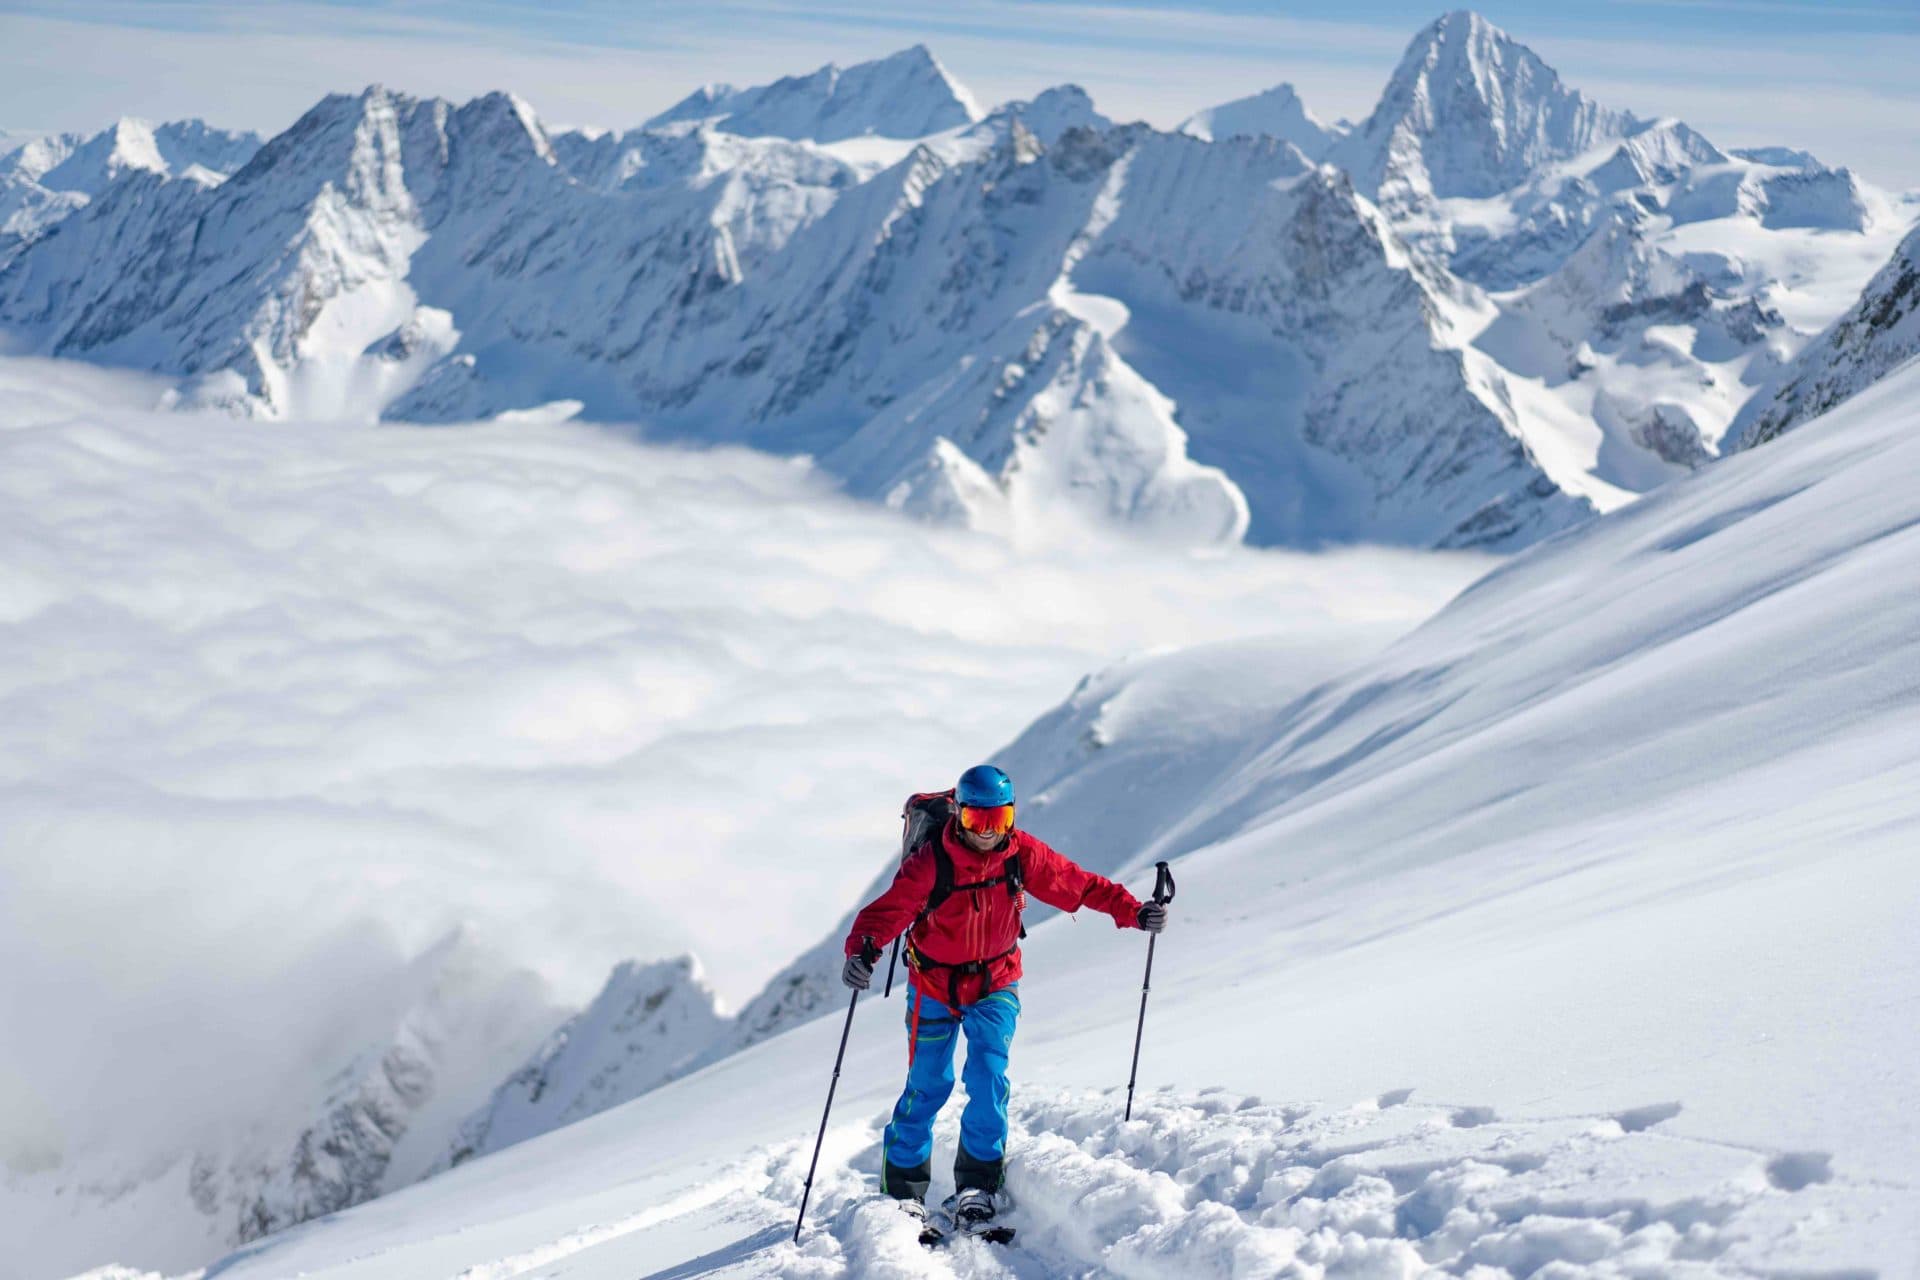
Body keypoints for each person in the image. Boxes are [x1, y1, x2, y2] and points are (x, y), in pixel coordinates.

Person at [841, 764, 1169, 1235]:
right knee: (927, 1084)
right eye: (979, 822)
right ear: (960, 816)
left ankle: (977, 1184)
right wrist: (862, 952)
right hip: (933, 985)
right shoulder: (932, 862)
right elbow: (885, 913)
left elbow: (1080, 884)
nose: (990, 834)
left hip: (996, 981)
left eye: (1001, 819)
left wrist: (1134, 911)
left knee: (989, 1077)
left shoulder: (1021, 854)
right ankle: (903, 1192)